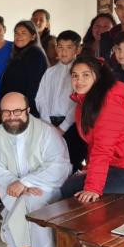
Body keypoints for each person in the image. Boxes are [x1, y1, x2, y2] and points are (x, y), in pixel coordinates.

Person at [0, 92, 72, 247]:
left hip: (46, 187)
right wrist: (19, 186)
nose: (12, 117)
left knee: (32, 202)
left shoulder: (46, 132)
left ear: (28, 110)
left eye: (17, 111)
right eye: (6, 112)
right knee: (24, 202)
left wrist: (27, 182)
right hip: (13, 188)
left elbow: (60, 166)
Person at [60, 56, 124, 203]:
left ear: (98, 77)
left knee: (72, 187)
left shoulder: (109, 103)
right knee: (73, 184)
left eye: (86, 75)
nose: (79, 80)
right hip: (119, 165)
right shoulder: (86, 100)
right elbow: (93, 143)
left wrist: (93, 187)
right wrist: (89, 170)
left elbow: (102, 149)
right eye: (75, 75)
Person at [35, 30, 86, 172]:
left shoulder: (81, 73)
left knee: (72, 160)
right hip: (49, 123)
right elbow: (40, 98)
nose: (63, 52)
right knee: (52, 161)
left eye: (69, 47)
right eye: (60, 47)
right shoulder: (49, 72)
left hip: (72, 125)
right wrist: (47, 122)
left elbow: (78, 102)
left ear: (78, 49)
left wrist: (63, 127)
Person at [0, 20, 49, 116]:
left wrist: (27, 113)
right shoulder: (20, 54)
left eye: (23, 33)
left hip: (24, 111)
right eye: (16, 33)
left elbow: (34, 88)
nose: (18, 36)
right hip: (15, 109)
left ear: (33, 36)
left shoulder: (35, 54)